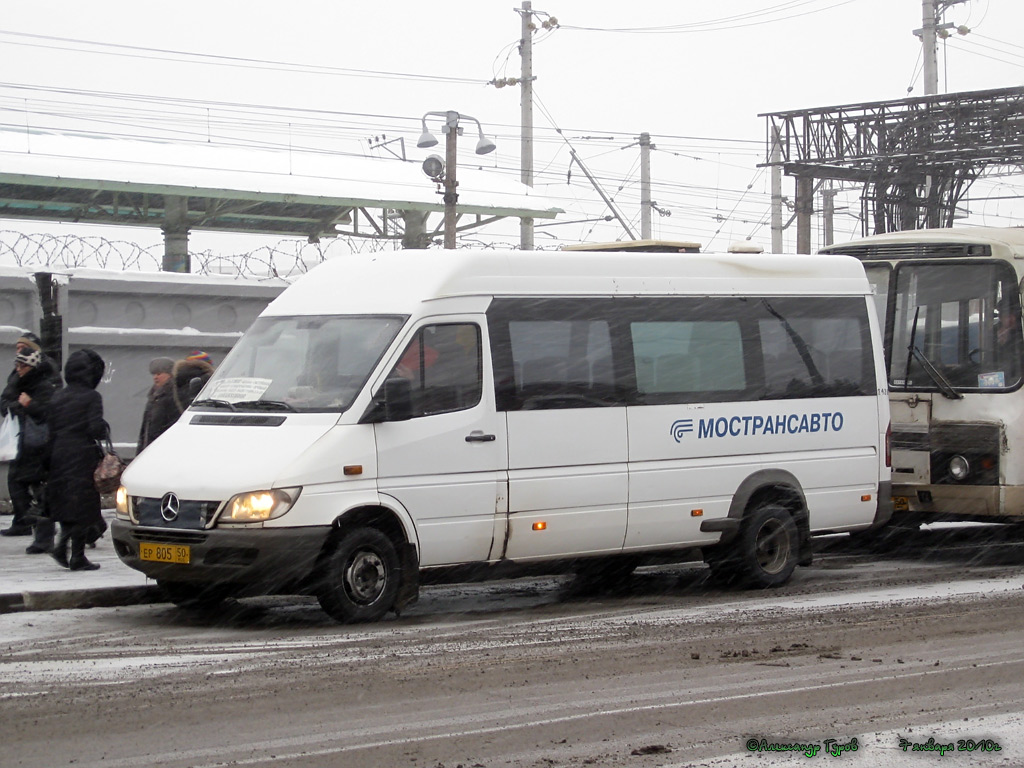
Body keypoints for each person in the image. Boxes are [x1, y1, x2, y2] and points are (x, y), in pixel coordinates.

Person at [47, 348, 108, 571]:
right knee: (82, 506)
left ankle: (62, 547)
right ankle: (77, 556)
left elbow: (50, 429)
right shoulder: (92, 397)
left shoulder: (58, 396)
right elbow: (95, 428)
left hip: (59, 454)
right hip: (82, 455)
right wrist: (103, 427)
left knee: (66, 503)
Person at [0, 335, 58, 553]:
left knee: (41, 491)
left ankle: (44, 536)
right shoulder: (18, 378)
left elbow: (47, 412)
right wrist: (18, 405)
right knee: (21, 484)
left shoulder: (45, 382)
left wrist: (28, 405)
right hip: (23, 441)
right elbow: (5, 400)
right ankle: (29, 525)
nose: (18, 367)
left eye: (22, 362)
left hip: (39, 445)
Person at [137, 356, 179, 454]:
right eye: (154, 374)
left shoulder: (173, 395)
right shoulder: (154, 396)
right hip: (150, 447)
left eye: (159, 374)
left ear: (170, 374)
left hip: (163, 449)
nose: (155, 377)